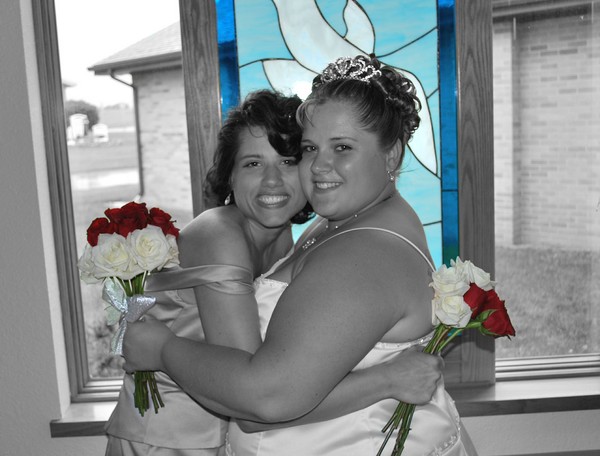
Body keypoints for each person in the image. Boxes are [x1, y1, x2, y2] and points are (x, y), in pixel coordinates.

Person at [122, 56, 472, 455]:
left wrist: (163, 350)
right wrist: (387, 379)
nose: (319, 165)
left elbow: (264, 400)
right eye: (310, 148)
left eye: (342, 147)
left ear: (391, 155)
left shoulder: (362, 254)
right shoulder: (343, 219)